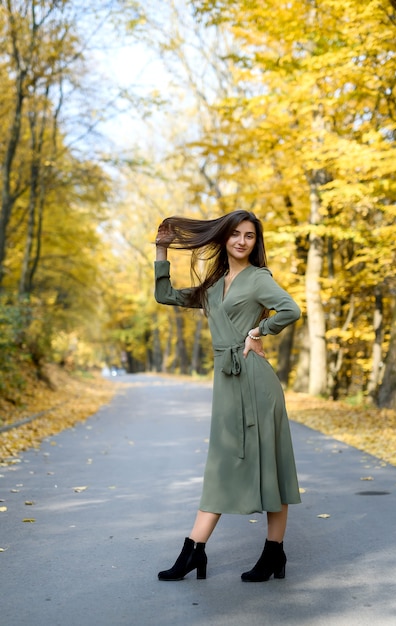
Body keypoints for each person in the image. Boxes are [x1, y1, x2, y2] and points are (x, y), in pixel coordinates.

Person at [154, 209, 301, 582]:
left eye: (249, 235)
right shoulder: (214, 285)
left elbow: (291, 309)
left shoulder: (258, 279)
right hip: (226, 380)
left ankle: (272, 554)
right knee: (220, 463)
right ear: (223, 238)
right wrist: (161, 251)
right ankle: (194, 552)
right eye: (235, 234)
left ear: (256, 242)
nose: (241, 241)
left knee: (270, 465)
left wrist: (258, 331)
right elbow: (165, 295)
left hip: (255, 380)